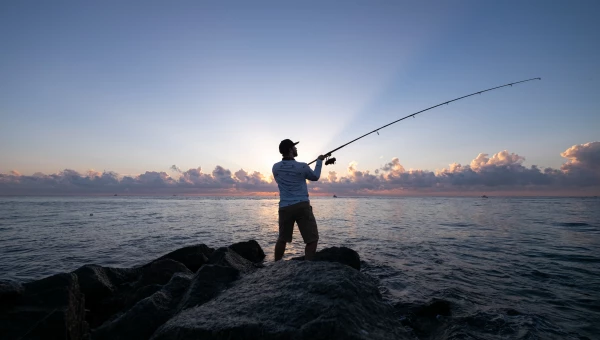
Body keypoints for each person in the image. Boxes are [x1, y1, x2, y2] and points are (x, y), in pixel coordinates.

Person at [272, 139, 325, 261]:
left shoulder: (275, 167)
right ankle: (308, 267)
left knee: (282, 239)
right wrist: (319, 161)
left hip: (285, 207)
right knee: (312, 239)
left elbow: (289, 172)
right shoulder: (302, 166)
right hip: (302, 206)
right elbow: (315, 177)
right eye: (294, 147)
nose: (296, 149)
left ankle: (275, 266)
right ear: (290, 150)